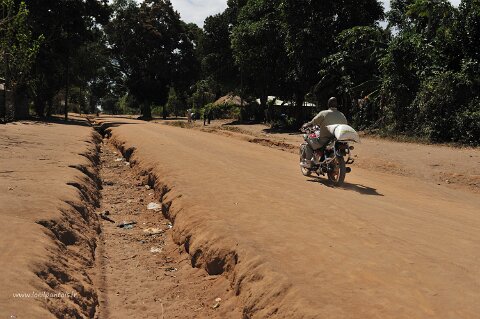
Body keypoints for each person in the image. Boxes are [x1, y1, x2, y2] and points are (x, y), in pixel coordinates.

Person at [302, 97, 348, 167]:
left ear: (328, 104)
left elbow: (312, 123)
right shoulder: (342, 115)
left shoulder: (324, 113)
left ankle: (307, 162)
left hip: (324, 141)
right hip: (338, 139)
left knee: (308, 141)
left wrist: (306, 125)